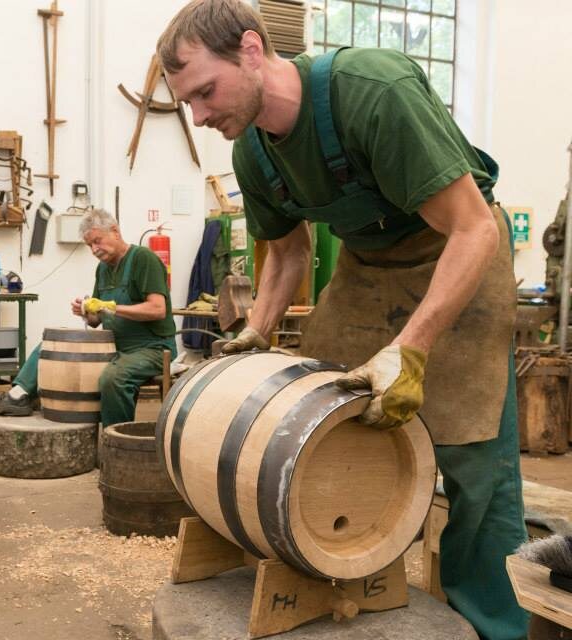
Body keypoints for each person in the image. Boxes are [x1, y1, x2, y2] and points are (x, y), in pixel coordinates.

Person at [157, 2, 526, 639]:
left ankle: (492, 624)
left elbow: (470, 228)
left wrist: (411, 350)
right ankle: (340, 562)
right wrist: (255, 330)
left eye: (205, 92)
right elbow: (289, 253)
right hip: (367, 265)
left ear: (251, 50)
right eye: (188, 102)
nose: (200, 114)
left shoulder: (373, 92)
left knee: (472, 458)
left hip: (460, 251)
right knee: (320, 415)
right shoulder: (253, 151)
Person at [0, 209, 176, 428]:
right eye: (89, 245)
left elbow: (158, 309)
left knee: (113, 378)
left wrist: (110, 306)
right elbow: (96, 321)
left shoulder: (143, 258)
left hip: (153, 348)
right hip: (115, 346)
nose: (94, 249)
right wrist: (87, 311)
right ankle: (18, 395)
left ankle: (117, 440)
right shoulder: (102, 269)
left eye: (97, 241)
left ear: (115, 231)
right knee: (52, 346)